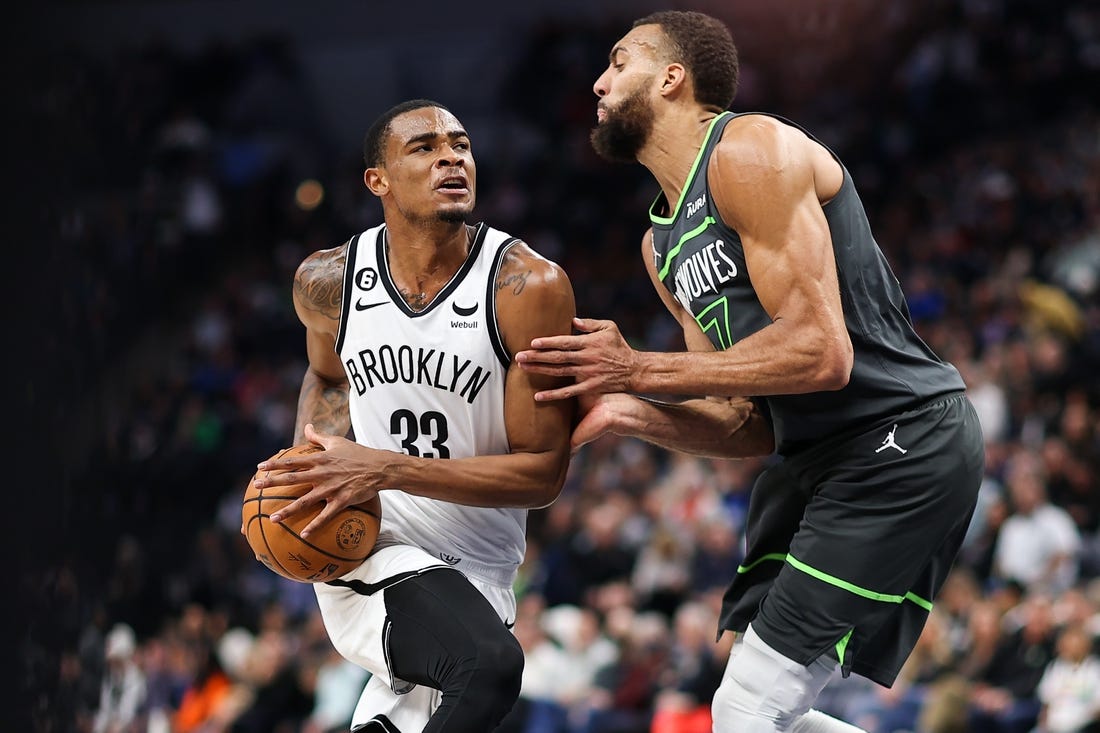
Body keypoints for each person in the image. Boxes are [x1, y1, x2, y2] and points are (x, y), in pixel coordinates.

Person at [515, 10, 985, 733]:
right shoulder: (661, 244)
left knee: (745, 707)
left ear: (672, 78)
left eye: (619, 62)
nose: (598, 82)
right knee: (754, 700)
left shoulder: (748, 149)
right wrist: (628, 404)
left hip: (898, 439)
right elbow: (745, 421)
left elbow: (824, 354)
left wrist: (637, 363)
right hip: (817, 459)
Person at [252, 99, 576, 732]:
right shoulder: (329, 281)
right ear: (378, 180)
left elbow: (542, 475)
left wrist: (383, 467)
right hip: (371, 538)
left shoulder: (526, 288)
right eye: (424, 148)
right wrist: (309, 472)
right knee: (485, 667)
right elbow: (325, 376)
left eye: (461, 144)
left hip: (479, 567)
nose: (451, 157)